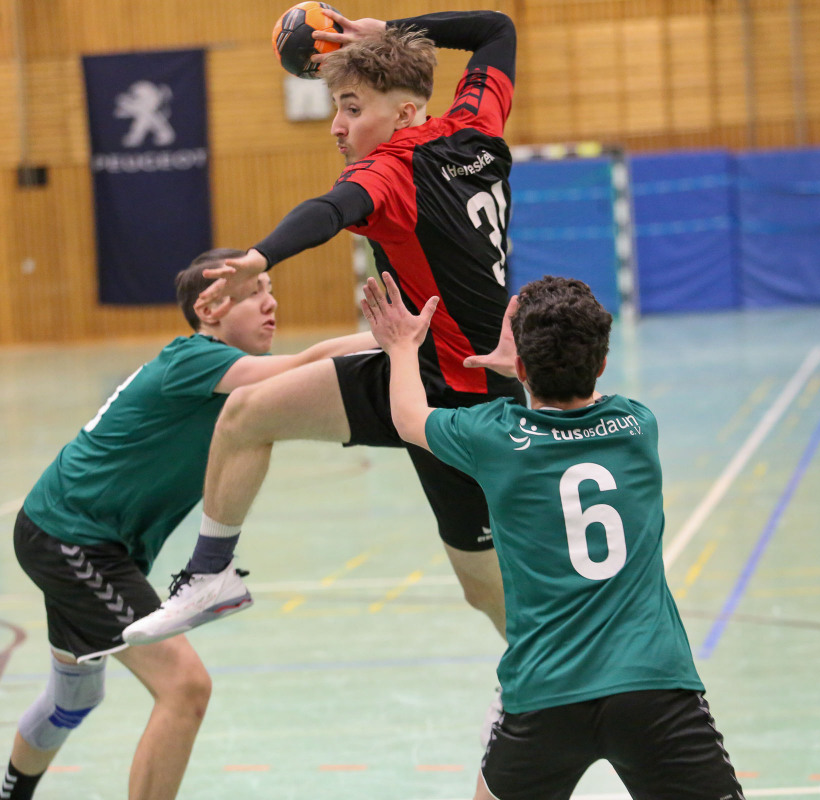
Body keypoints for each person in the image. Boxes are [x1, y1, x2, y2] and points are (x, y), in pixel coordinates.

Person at [124, 10, 522, 644]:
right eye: (338, 106)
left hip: (467, 403)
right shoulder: (475, 124)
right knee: (246, 413)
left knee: (485, 588)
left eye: (352, 108)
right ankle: (210, 575)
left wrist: (262, 256)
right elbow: (496, 29)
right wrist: (388, 30)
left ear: (404, 113)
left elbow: (329, 210)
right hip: (408, 366)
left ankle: (534, 675)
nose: (338, 125)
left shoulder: (391, 170)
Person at [0, 248, 377, 800]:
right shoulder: (195, 358)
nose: (271, 304)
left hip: (77, 537)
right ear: (210, 310)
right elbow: (308, 364)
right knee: (185, 687)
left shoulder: (226, 377)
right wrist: (392, 335)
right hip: (71, 538)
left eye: (271, 291)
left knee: (74, 698)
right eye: (254, 293)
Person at [361, 272, 746, 800]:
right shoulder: (638, 426)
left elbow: (409, 418)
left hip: (545, 692)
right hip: (653, 683)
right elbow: (581, 400)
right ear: (602, 362)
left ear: (522, 367)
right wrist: (529, 367)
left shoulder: (493, 435)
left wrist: (403, 347)